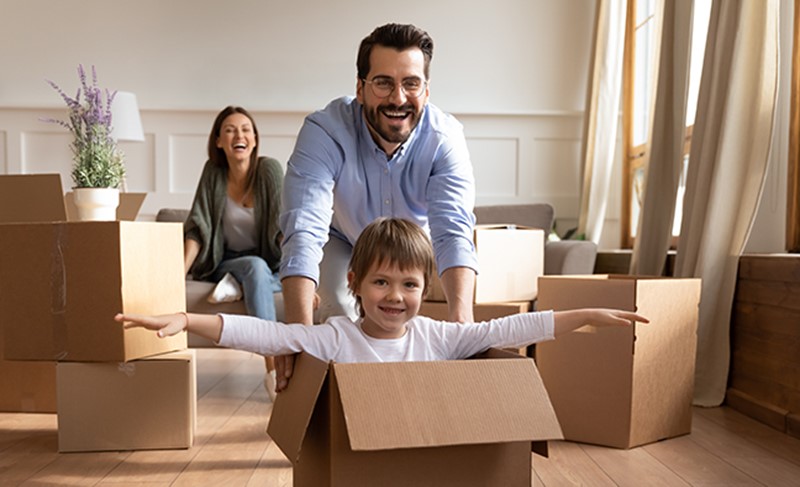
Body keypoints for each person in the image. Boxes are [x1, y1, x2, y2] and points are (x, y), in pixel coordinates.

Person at [117, 218, 648, 365]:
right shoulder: (335, 337)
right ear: (355, 284)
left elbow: (509, 328)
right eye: (381, 282)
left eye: (410, 284)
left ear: (426, 288)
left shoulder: (438, 338)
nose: (396, 296)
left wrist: (582, 313)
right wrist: (189, 322)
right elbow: (263, 334)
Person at [277, 23, 478, 390]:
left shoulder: (445, 139)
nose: (398, 98)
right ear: (360, 88)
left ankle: (394, 396)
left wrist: (462, 324)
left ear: (427, 91)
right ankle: (346, 404)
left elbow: (453, 231)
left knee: (399, 323)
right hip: (341, 236)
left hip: (410, 242)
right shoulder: (324, 131)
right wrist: (297, 336)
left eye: (411, 83)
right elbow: (304, 228)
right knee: (338, 311)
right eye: (383, 82)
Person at [183, 105, 283, 393]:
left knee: (258, 268)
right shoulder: (213, 173)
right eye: (229, 130)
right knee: (253, 268)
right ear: (218, 141)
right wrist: (178, 276)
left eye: (245, 129)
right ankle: (273, 368)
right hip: (223, 262)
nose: (238, 135)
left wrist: (300, 276)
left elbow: (282, 230)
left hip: (266, 261)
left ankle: (245, 285)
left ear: (254, 138)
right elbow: (198, 227)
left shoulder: (269, 170)